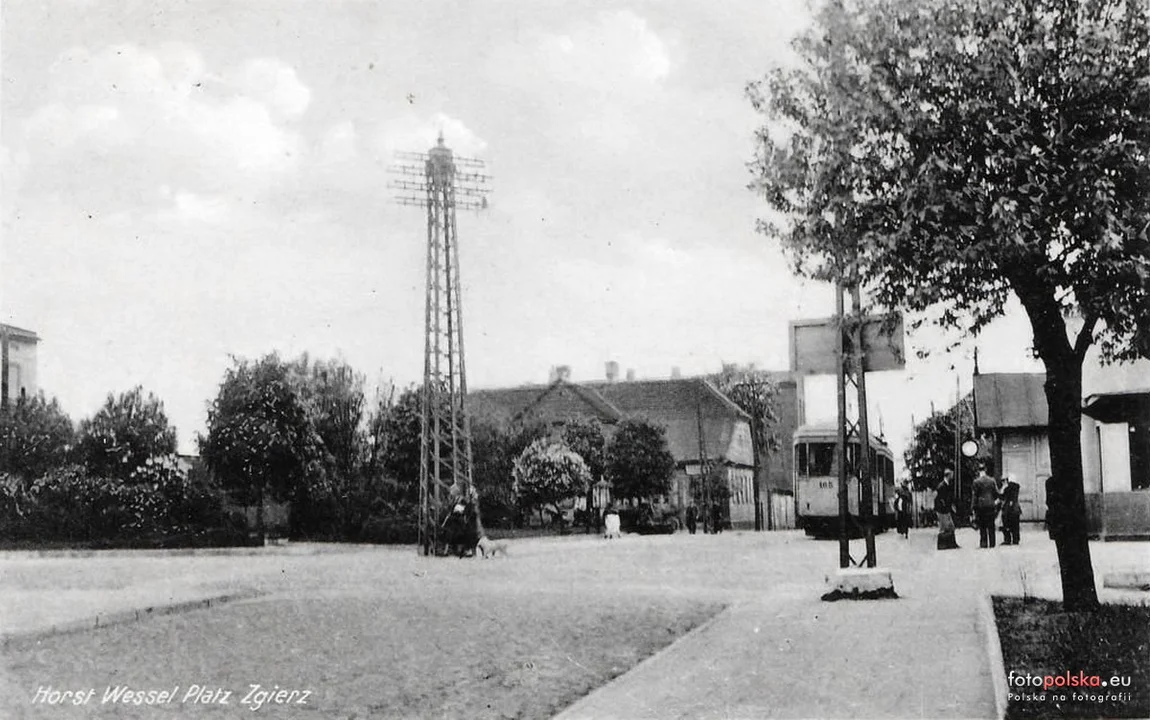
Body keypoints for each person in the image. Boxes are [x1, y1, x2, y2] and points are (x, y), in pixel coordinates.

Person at [972, 463, 1001, 549]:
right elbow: (996, 493)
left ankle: (983, 543)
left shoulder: (976, 482)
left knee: (982, 526)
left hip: (981, 506)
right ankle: (992, 543)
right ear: (986, 470)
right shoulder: (992, 480)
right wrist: (994, 501)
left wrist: (973, 508)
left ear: (978, 471)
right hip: (990, 505)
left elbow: (975, 496)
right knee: (991, 525)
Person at [935, 469, 960, 550]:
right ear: (948, 475)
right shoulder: (941, 486)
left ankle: (951, 544)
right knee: (943, 527)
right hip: (943, 510)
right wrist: (945, 507)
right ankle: (942, 545)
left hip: (946, 509)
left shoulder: (947, 484)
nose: (952, 477)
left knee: (951, 526)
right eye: (951, 475)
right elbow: (940, 499)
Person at [1000, 474, 1022, 545]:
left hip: (1008, 509)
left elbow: (1002, 497)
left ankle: (1007, 539)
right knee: (1016, 525)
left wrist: (1003, 487)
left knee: (1006, 524)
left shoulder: (1007, 488)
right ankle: (1016, 539)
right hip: (1016, 508)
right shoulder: (1017, 487)